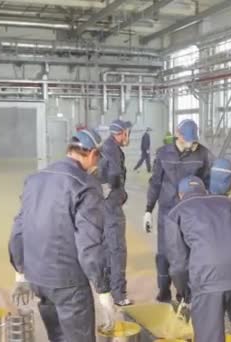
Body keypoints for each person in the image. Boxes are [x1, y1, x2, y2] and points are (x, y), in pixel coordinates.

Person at [8, 129, 115, 342]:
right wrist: (103, 290)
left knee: (56, 337)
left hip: (37, 277)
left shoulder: (34, 179)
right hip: (69, 283)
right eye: (99, 157)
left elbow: (18, 230)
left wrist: (20, 273)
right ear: (93, 153)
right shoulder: (85, 185)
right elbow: (89, 245)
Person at [165, 176, 231, 342]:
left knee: (209, 337)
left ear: (180, 195)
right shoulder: (230, 203)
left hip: (207, 279)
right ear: (205, 191)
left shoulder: (176, 213)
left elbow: (178, 265)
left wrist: (184, 292)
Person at [144, 119, 214, 302]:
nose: (191, 145)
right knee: (164, 252)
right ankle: (164, 290)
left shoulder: (203, 154)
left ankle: (185, 292)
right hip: (167, 210)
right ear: (178, 135)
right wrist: (148, 209)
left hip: (192, 212)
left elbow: (208, 183)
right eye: (188, 140)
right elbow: (156, 182)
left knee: (189, 251)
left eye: (194, 141)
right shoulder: (163, 153)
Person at [99, 119, 133, 306]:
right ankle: (119, 294)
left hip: (102, 204)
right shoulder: (112, 150)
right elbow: (114, 176)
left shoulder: (106, 147)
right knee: (117, 248)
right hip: (111, 205)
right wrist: (119, 193)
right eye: (128, 132)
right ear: (122, 133)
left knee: (106, 246)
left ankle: (106, 286)